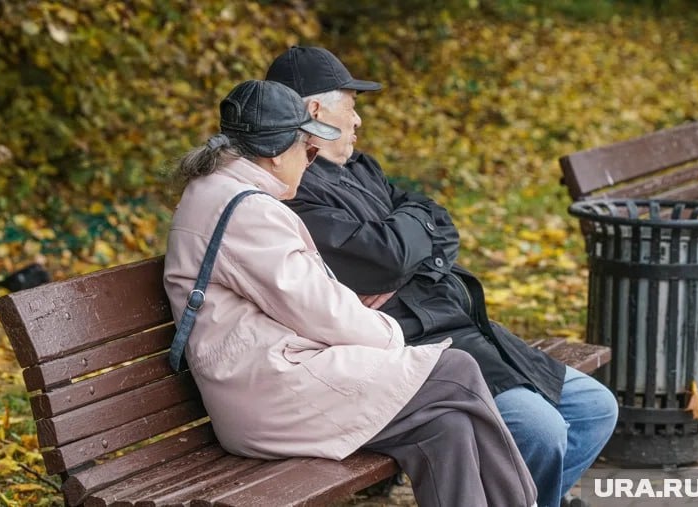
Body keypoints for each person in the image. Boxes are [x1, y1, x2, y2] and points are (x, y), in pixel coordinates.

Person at [266, 46, 619, 507]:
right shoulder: (293, 190)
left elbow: (438, 223)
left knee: (595, 408)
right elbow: (385, 259)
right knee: (540, 429)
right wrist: (407, 246)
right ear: (316, 111)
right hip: (414, 344)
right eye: (351, 107)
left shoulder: (360, 167)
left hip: (460, 321)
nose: (358, 120)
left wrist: (408, 252)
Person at [163, 79, 537, 507]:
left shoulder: (220, 193)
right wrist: (392, 335)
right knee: (455, 370)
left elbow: (304, 301)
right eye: (307, 150)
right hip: (271, 397)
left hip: (273, 379)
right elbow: (321, 310)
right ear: (274, 153)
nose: (309, 162)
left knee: (445, 426)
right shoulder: (246, 211)